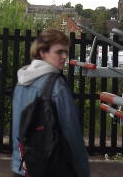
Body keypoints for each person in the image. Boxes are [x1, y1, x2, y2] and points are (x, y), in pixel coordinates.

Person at [11, 28, 90, 177]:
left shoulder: (21, 82)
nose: (64, 56)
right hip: (51, 168)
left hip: (22, 167)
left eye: (66, 52)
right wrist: (83, 172)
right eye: (59, 52)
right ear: (42, 52)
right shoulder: (56, 86)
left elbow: (17, 130)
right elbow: (72, 136)